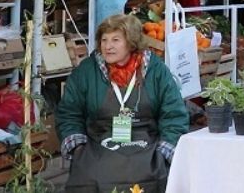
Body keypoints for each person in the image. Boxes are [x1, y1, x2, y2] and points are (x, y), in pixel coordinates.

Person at [56, 14, 189, 192]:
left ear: (131, 42)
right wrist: (78, 148)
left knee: (152, 174)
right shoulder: (86, 72)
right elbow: (69, 113)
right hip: (98, 143)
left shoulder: (157, 71)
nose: (108, 46)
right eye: (104, 40)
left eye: (115, 40)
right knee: (90, 175)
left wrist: (163, 152)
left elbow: (174, 114)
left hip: (147, 145)